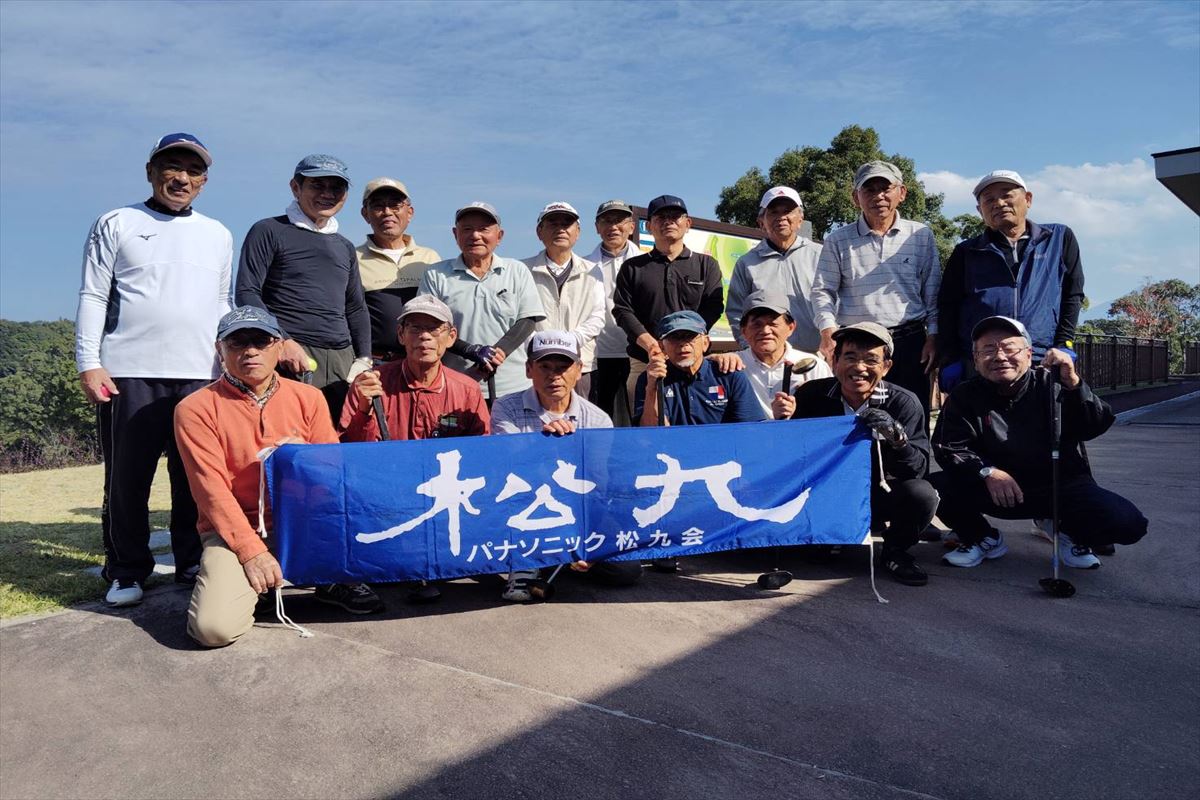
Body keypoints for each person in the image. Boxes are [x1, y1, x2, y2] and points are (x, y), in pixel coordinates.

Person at [75, 132, 233, 606]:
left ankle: (190, 561)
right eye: (172, 167)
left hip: (201, 373)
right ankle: (126, 570)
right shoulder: (117, 221)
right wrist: (89, 362)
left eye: (193, 170)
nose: (182, 178)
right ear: (151, 171)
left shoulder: (218, 233)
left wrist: (226, 364)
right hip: (129, 372)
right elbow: (93, 295)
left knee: (194, 478)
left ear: (204, 181)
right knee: (128, 479)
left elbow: (222, 302)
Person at [175, 306, 383, 648]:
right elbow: (211, 492)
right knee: (213, 629)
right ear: (220, 350)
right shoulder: (195, 409)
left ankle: (329, 580)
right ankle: (259, 583)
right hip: (237, 529)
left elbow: (332, 474)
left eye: (261, 340)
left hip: (305, 522)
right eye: (237, 342)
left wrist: (304, 460)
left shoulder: (309, 398)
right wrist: (251, 552)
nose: (250, 350)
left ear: (279, 346)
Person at [932, 316, 1147, 570]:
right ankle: (982, 537)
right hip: (998, 490)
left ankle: (1068, 533)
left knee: (1128, 522)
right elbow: (949, 447)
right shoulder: (964, 395)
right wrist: (986, 471)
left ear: (1028, 354)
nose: (1000, 356)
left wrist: (1074, 384)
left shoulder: (1052, 383)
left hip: (1058, 486)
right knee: (932, 489)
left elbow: (1096, 424)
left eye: (1009, 348)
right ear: (976, 359)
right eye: (988, 350)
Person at [490, 331, 641, 599]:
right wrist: (545, 442)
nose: (554, 376)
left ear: (579, 370)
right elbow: (509, 462)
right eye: (545, 367)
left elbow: (598, 484)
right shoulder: (506, 407)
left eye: (563, 367)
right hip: (523, 505)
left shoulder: (598, 419)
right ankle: (534, 561)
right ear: (528, 369)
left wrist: (589, 537)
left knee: (626, 570)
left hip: (576, 510)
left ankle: (559, 558)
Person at [791, 322, 938, 586]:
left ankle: (895, 551)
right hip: (826, 492)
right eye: (850, 357)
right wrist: (782, 421)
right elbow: (793, 455)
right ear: (834, 361)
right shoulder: (811, 395)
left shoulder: (903, 402)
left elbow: (918, 469)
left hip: (879, 494)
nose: (859, 367)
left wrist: (898, 439)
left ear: (886, 367)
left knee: (922, 493)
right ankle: (830, 536)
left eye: (871, 360)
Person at [235, 154, 371, 418]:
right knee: (288, 435)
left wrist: (364, 358)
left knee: (337, 437)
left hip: (341, 360)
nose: (327, 194)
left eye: (336, 187)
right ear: (295, 187)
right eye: (317, 185)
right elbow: (246, 292)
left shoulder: (344, 246)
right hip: (289, 357)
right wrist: (281, 340)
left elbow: (355, 307)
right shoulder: (268, 230)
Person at [810, 161, 940, 415]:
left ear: (902, 193)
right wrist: (827, 330)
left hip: (909, 342)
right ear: (855, 197)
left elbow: (932, 290)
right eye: (869, 190)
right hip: (857, 343)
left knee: (912, 415)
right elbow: (823, 290)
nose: (878, 196)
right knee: (855, 417)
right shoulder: (837, 240)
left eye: (885, 188)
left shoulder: (920, 235)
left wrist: (934, 335)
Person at [937, 170, 1086, 386]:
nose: (999, 203)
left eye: (1007, 194)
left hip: (1042, 358)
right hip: (983, 362)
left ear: (1028, 199)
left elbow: (1072, 295)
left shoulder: (1059, 239)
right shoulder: (967, 251)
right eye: (989, 199)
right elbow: (948, 306)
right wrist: (950, 357)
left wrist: (1065, 344)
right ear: (980, 210)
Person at [418, 202, 545, 400]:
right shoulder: (435, 274)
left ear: (499, 236)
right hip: (455, 383)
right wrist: (470, 351)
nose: (475, 235)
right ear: (455, 234)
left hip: (513, 386)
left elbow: (528, 320)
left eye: (484, 229)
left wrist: (498, 352)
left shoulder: (517, 270)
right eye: (467, 229)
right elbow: (430, 326)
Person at [612, 195, 724, 411]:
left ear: (688, 223)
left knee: (699, 420)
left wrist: (687, 341)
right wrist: (653, 346)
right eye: (661, 217)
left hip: (694, 360)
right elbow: (623, 311)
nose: (668, 221)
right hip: (646, 360)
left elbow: (714, 306)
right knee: (646, 423)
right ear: (648, 226)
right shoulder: (632, 268)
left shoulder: (706, 264)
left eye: (675, 216)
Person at [340, 295, 490, 442]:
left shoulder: (468, 391)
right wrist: (364, 411)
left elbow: (483, 449)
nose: (425, 336)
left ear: (451, 337)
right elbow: (349, 450)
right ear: (401, 334)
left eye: (434, 328)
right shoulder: (370, 385)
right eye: (415, 328)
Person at [522, 202, 605, 399]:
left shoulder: (593, 271)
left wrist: (569, 341)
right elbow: (518, 318)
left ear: (577, 232)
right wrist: (541, 345)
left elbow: (597, 317)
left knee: (581, 416)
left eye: (566, 224)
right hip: (538, 365)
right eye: (553, 224)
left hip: (580, 365)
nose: (560, 229)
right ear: (539, 232)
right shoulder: (522, 270)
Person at [708, 289, 831, 420]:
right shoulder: (731, 365)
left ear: (791, 327)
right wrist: (712, 359)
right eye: (757, 325)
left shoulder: (814, 365)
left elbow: (830, 414)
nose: (765, 331)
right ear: (743, 331)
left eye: (773, 324)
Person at [726, 187, 823, 353]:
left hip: (819, 355)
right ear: (761, 222)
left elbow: (838, 302)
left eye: (787, 211)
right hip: (767, 357)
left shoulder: (821, 255)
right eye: (773, 212)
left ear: (800, 219)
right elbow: (736, 313)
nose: (781, 217)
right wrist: (750, 348)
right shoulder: (746, 263)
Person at [355, 177, 441, 362]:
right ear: (365, 214)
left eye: (395, 205)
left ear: (409, 212)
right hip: (376, 364)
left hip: (423, 362)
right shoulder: (352, 258)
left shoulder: (430, 258)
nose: (387, 212)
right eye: (378, 206)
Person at [635, 310, 761, 427]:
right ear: (662, 346)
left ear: (705, 343)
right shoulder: (650, 379)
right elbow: (651, 433)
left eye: (689, 336)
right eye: (674, 337)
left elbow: (750, 428)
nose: (682, 343)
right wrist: (652, 389)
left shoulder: (729, 374)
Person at [585, 200, 643, 421]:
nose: (613, 227)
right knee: (603, 419)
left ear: (632, 226)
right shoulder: (583, 266)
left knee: (639, 418)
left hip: (639, 354)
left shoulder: (647, 263)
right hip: (599, 355)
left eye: (619, 221)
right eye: (607, 221)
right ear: (597, 227)